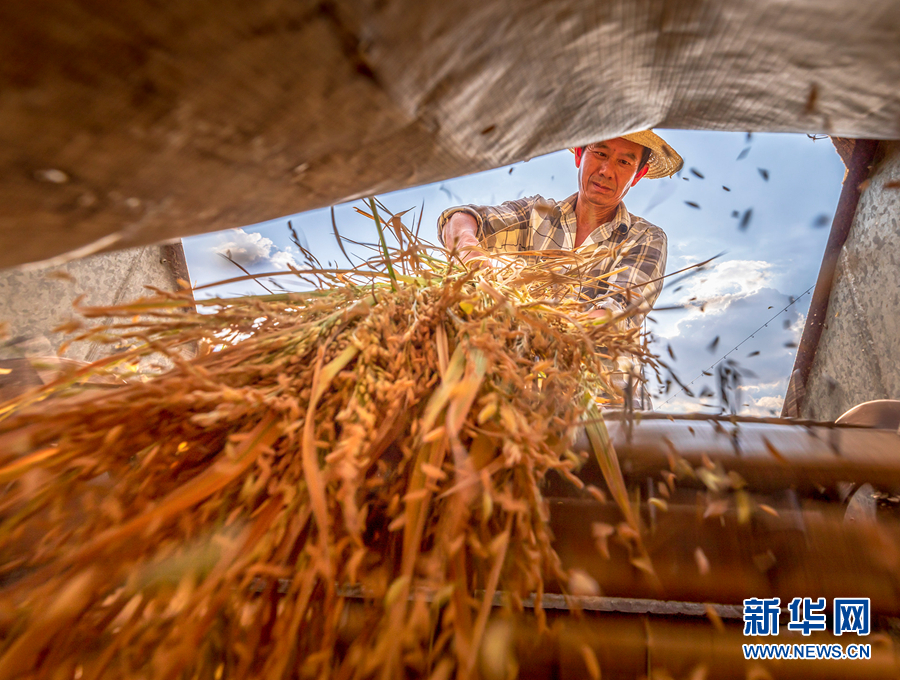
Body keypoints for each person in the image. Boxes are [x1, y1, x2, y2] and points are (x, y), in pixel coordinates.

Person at [438, 130, 683, 331]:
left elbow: (616, 315)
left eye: (624, 162)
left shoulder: (645, 238)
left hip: (603, 389)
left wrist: (541, 326)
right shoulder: (536, 213)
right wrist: (470, 251)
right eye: (600, 153)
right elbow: (461, 220)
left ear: (638, 175)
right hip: (528, 384)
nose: (606, 171)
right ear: (579, 153)